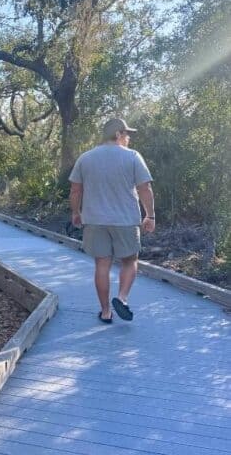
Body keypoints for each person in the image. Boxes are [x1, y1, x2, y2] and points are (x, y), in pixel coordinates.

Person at [69, 118, 155, 323]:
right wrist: (150, 215)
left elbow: (75, 189)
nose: (128, 138)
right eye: (126, 134)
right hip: (125, 220)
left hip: (95, 220)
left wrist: (75, 212)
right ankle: (122, 298)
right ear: (117, 134)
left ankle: (106, 311)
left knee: (102, 264)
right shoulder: (133, 156)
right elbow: (145, 188)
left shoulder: (85, 158)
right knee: (129, 261)